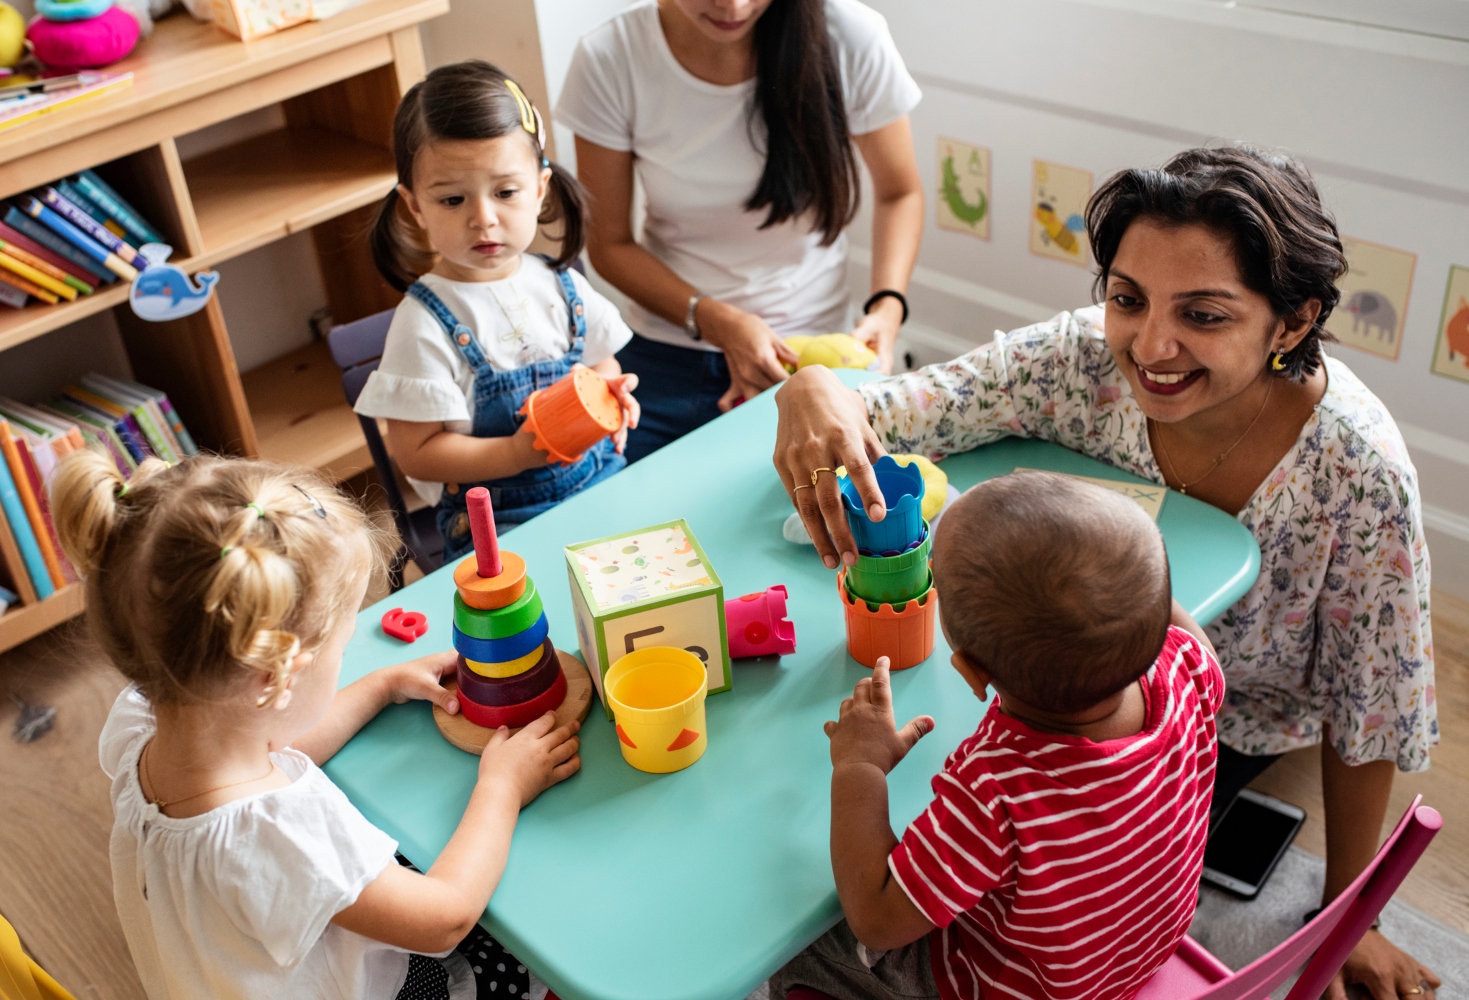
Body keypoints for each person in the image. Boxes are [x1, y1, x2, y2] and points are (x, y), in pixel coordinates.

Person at [773, 145, 1440, 1000]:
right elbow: (898, 409)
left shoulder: (1359, 472)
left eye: (1203, 315)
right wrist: (815, 388)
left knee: (846, 871)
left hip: (1228, 722)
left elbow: (1370, 710)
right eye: (1126, 300)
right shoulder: (1077, 363)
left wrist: (1356, 914)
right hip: (1135, 700)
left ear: (1292, 322)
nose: (1149, 345)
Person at [52, 450, 581, 1000]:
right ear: (276, 679)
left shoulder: (144, 722)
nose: (347, 657)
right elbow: (444, 917)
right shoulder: (279, 834)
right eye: (343, 647)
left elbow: (271, 742)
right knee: (523, 960)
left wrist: (379, 686)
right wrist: (502, 787)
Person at [771, 472, 1224, 1000]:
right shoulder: (1186, 667)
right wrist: (1126, 581)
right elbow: (1177, 628)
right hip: (1127, 958)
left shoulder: (996, 790)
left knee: (805, 939)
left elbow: (876, 916)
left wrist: (860, 767)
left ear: (970, 672)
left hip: (1018, 988)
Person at [557, 0, 925, 460]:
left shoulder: (852, 36)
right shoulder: (611, 57)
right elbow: (609, 244)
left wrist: (888, 307)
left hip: (811, 354)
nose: (733, 6)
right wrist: (721, 323)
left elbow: (900, 193)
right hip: (669, 350)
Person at [357, 61, 640, 560]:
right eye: (451, 199)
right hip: (501, 523)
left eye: (505, 192)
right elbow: (416, 453)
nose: (483, 218)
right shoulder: (424, 323)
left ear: (539, 188)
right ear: (414, 207)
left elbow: (601, 362)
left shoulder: (561, 284)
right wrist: (514, 454)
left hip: (600, 480)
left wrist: (609, 396)